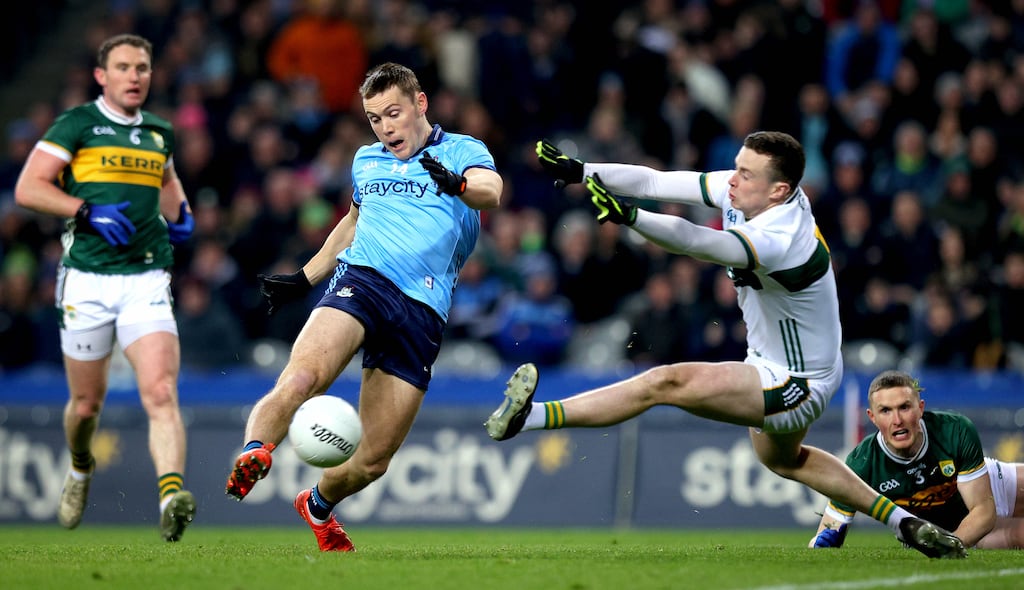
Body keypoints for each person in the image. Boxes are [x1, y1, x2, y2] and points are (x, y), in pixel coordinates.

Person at [485, 132, 967, 559]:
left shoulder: (784, 238)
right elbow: (657, 181)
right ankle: (906, 523)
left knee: (664, 380)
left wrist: (632, 219)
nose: (731, 180)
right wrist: (581, 170)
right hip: (781, 362)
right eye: (735, 166)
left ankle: (531, 418)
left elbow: (699, 242)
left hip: (796, 383)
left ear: (780, 190)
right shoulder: (750, 192)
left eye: (745, 173)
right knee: (783, 460)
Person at [224, 62, 502, 551]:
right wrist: (305, 276)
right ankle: (255, 451)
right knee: (305, 377)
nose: (385, 127)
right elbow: (353, 221)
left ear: (420, 104)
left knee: (374, 459)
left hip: (423, 310)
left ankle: (317, 505)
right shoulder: (366, 160)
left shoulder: (461, 150)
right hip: (363, 281)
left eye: (392, 113)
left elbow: (491, 192)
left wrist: (456, 185)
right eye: (374, 118)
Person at [13, 34, 196, 541]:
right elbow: (28, 188)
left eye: (142, 67)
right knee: (86, 406)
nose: (134, 76)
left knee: (160, 391)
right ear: (102, 76)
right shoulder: (76, 125)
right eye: (123, 67)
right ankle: (79, 466)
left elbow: (167, 182)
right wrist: (85, 211)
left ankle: (170, 497)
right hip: (88, 280)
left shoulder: (159, 132)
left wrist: (180, 212)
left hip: (146, 276)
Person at [810, 369, 1024, 550]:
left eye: (904, 407)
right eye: (885, 410)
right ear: (872, 417)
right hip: (936, 533)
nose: (897, 420)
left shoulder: (954, 430)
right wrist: (820, 544)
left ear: (920, 408)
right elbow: (828, 533)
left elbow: (983, 511)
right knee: (1018, 537)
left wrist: (949, 548)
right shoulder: (862, 463)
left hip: (983, 488)